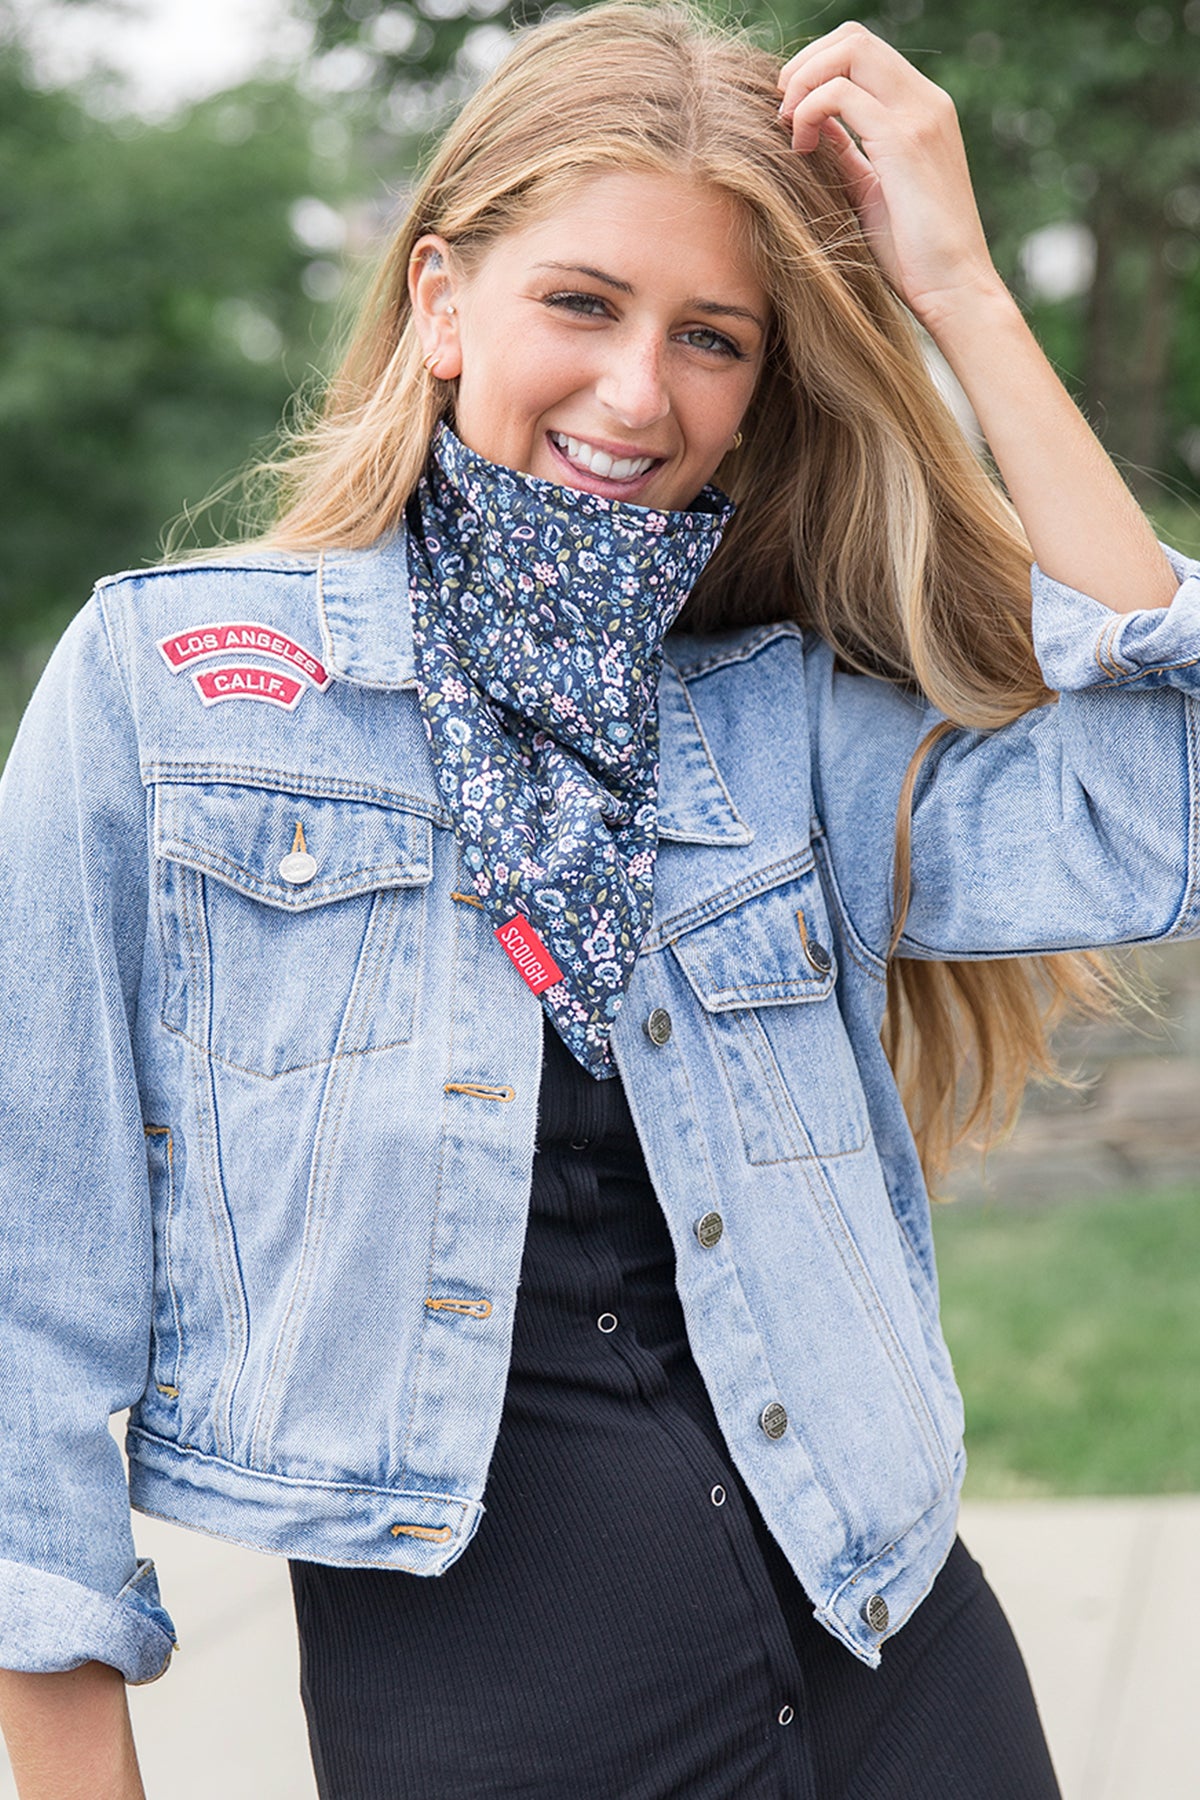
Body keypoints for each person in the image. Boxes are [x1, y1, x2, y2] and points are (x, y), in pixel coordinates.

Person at [0, 3, 1194, 1794]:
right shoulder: (171, 689)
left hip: (898, 1660)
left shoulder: (779, 725)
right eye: (583, 301)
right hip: (505, 1723)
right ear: (439, 298)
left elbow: (1151, 821)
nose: (643, 393)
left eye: (711, 338)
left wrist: (964, 291)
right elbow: (34, 1261)